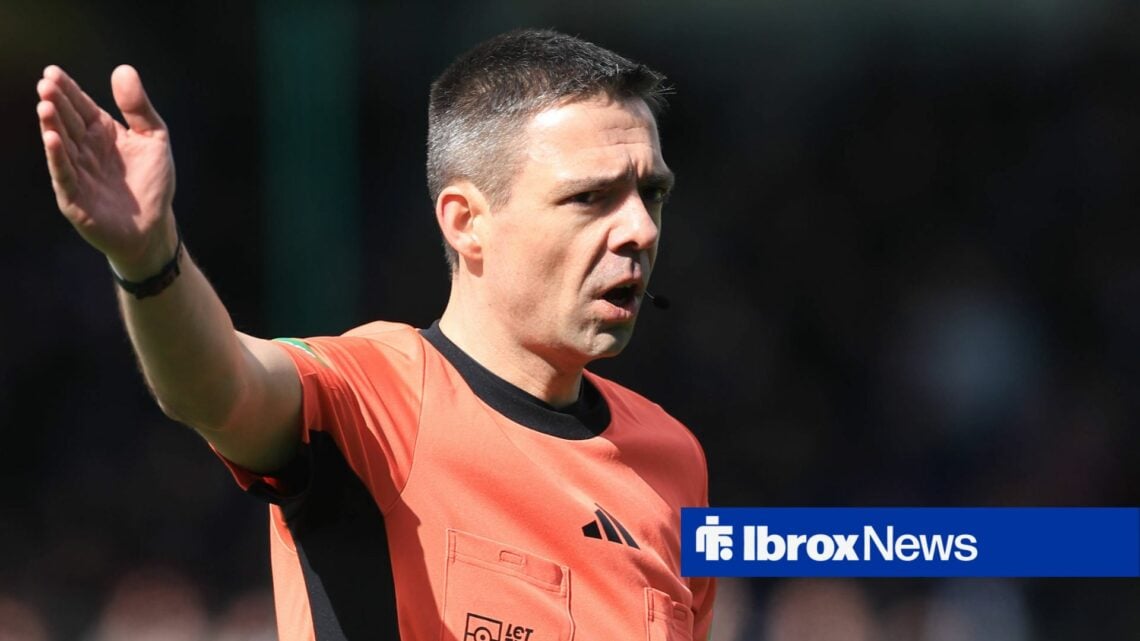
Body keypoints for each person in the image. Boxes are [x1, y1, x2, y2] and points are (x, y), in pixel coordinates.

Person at [37, 29, 714, 640]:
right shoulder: (374, 397)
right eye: (590, 198)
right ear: (465, 220)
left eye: (651, 193)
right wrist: (149, 258)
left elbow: (801, 545)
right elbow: (215, 388)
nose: (641, 229)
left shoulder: (674, 459)